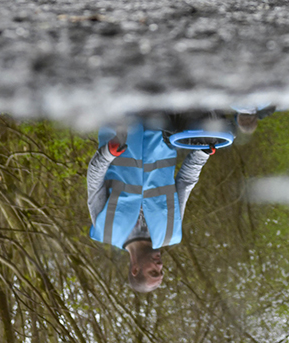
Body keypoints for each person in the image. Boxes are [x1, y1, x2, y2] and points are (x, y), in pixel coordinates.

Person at [86, 121, 212, 291]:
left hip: (121, 125)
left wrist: (108, 153)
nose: (160, 265)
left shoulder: (105, 229)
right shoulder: (170, 233)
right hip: (163, 126)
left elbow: (94, 178)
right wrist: (201, 155)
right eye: (161, 271)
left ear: (135, 269)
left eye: (153, 272)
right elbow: (185, 182)